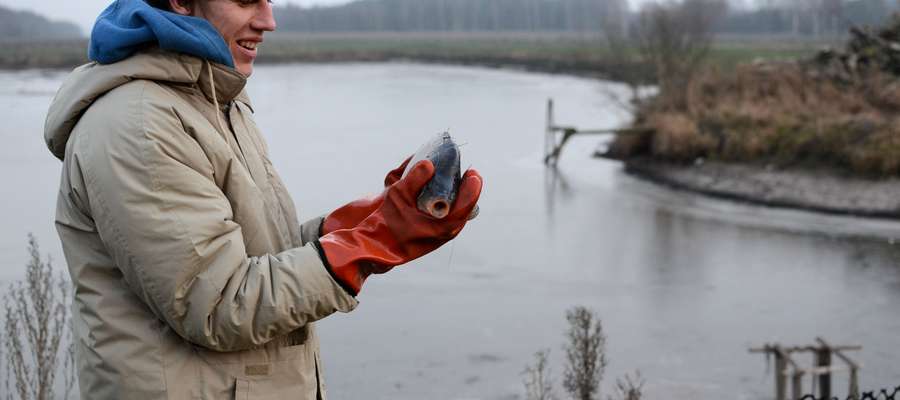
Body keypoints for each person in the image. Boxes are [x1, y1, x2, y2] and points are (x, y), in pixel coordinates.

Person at [44, 0, 482, 398]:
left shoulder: (215, 99)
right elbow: (217, 304)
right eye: (246, 0)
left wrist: (358, 224)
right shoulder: (138, 124)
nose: (268, 20)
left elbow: (255, 254)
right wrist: (369, 245)